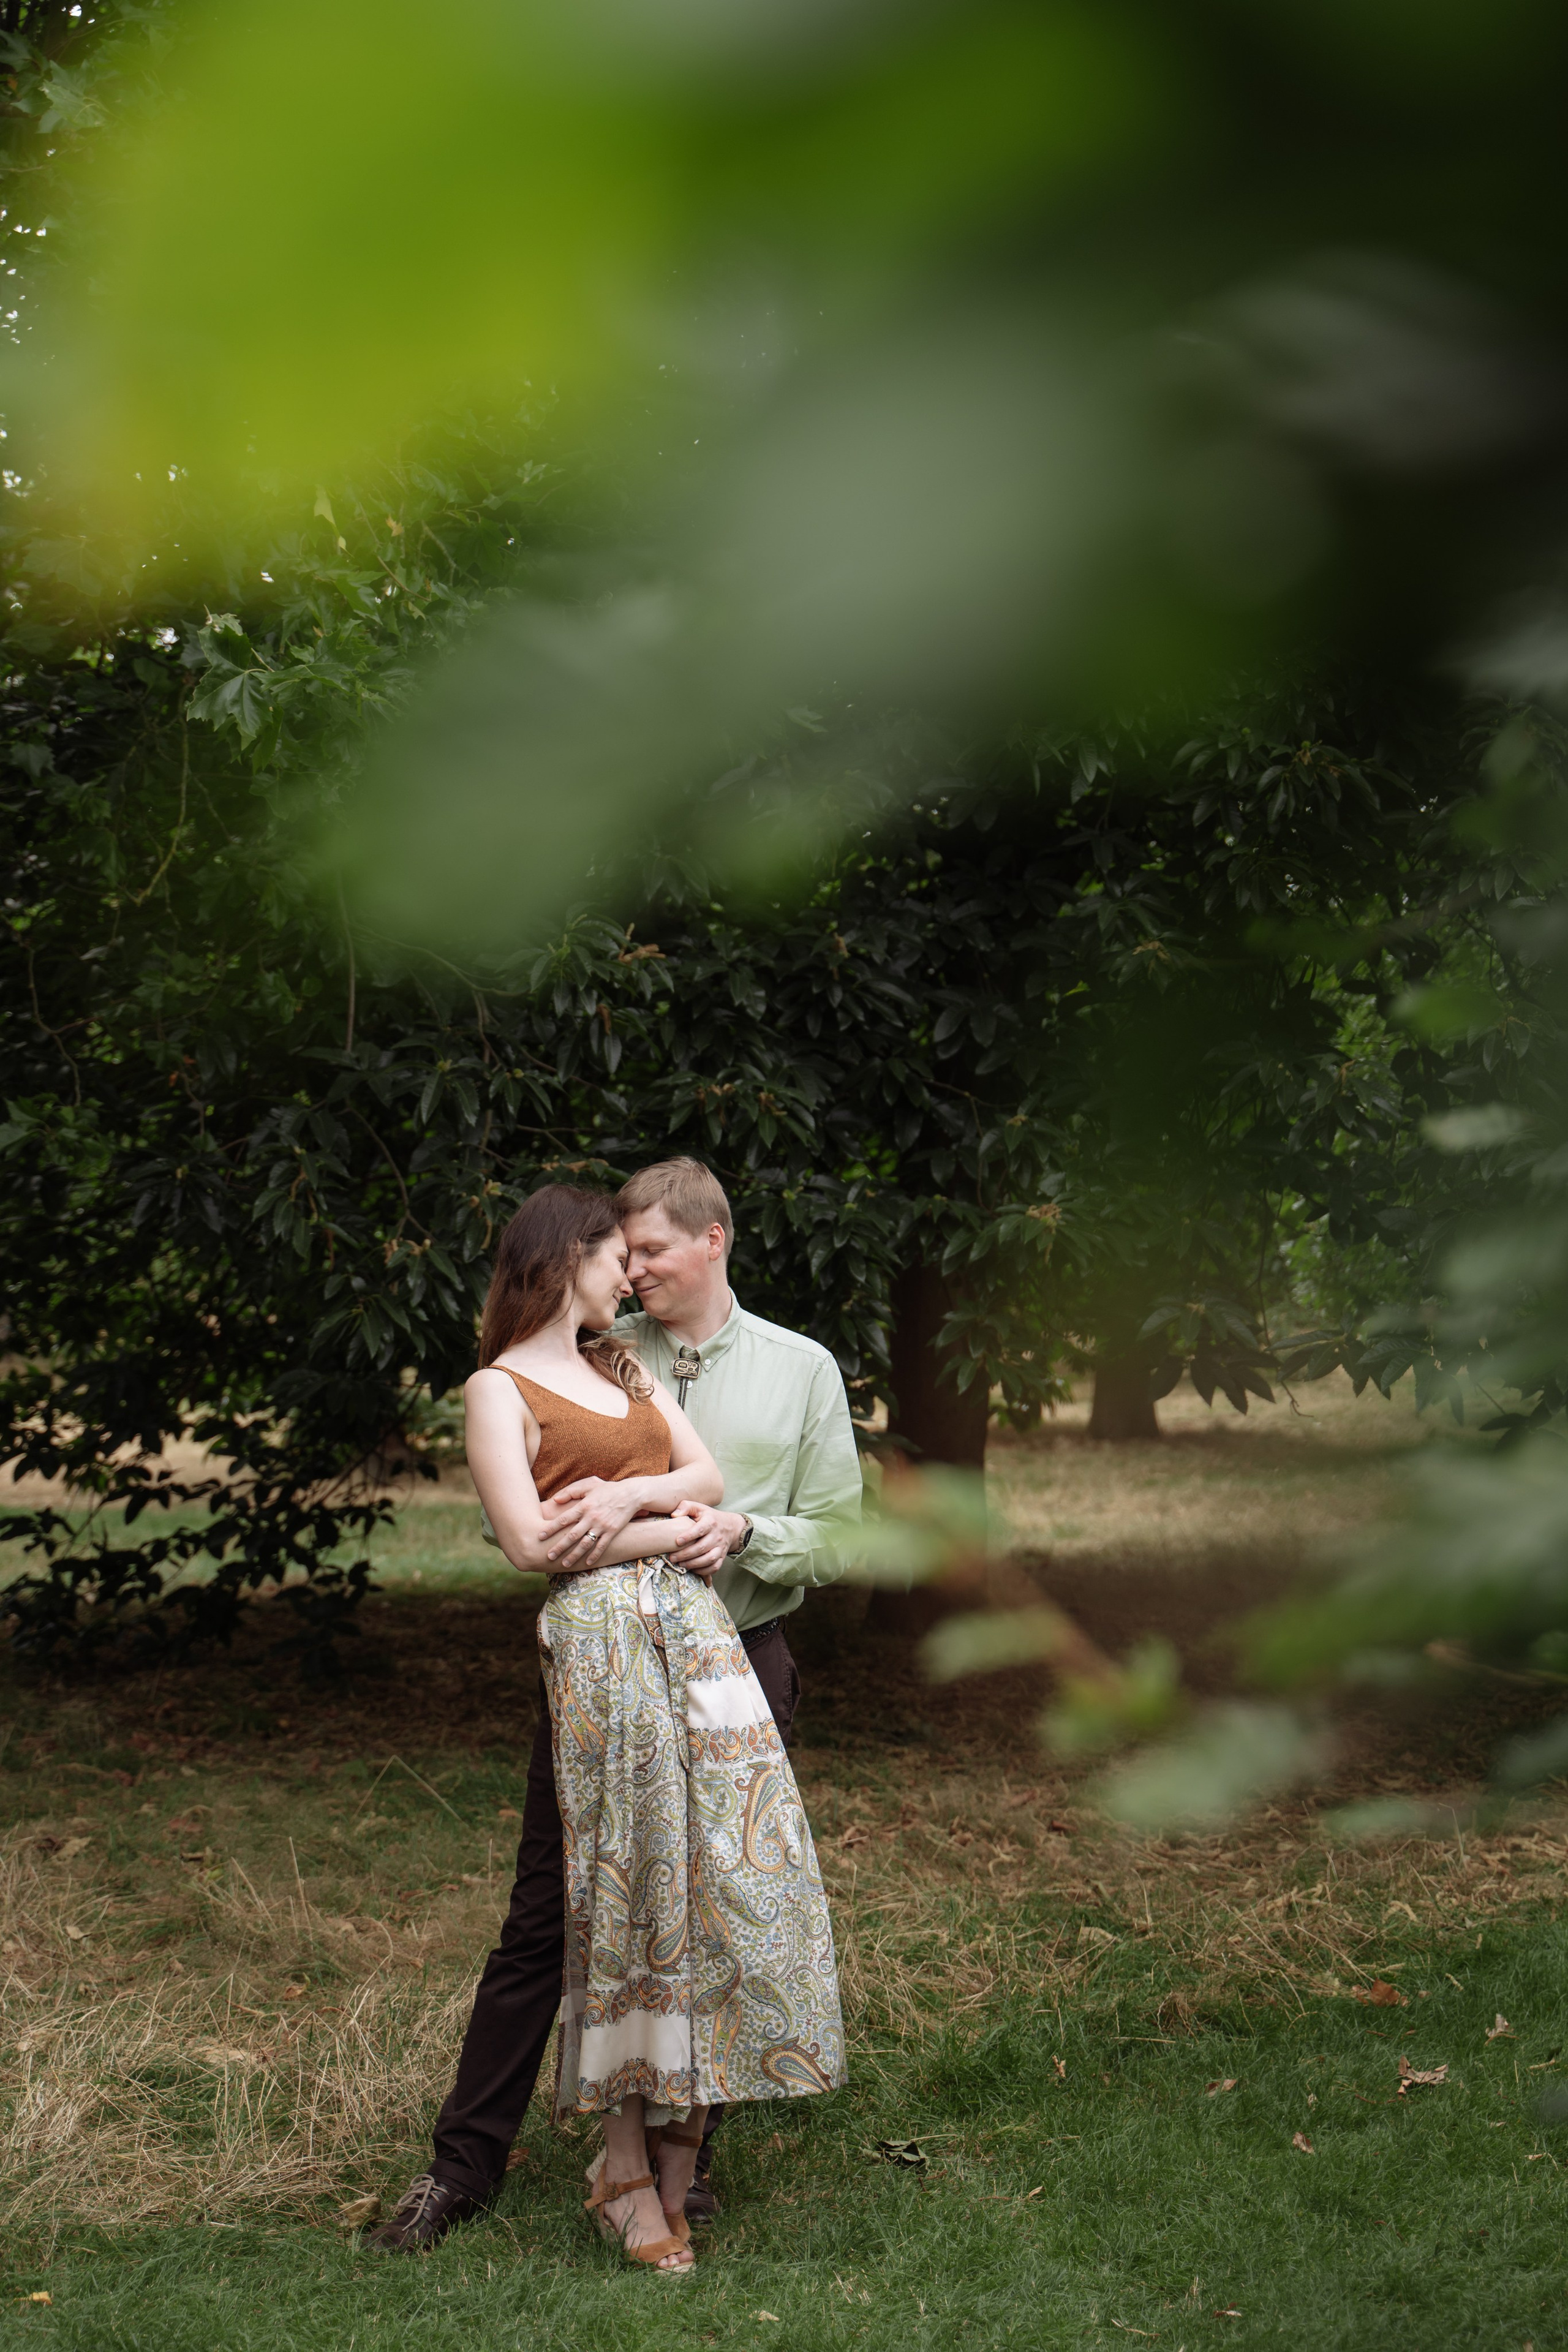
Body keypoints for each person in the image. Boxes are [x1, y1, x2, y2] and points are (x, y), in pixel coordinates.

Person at [368, 1161, 861, 2255]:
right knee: (556, 1905)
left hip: (739, 1652)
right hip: (605, 1670)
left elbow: (828, 1526)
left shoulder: (800, 1368)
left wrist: (689, 1515)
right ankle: (467, 2164)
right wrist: (662, 1519)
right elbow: (536, 1538)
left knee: (718, 1897)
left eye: (649, 1252)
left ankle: (683, 2159)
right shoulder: (602, 1359)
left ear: (714, 1240)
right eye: (617, 1252)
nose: (633, 1271)